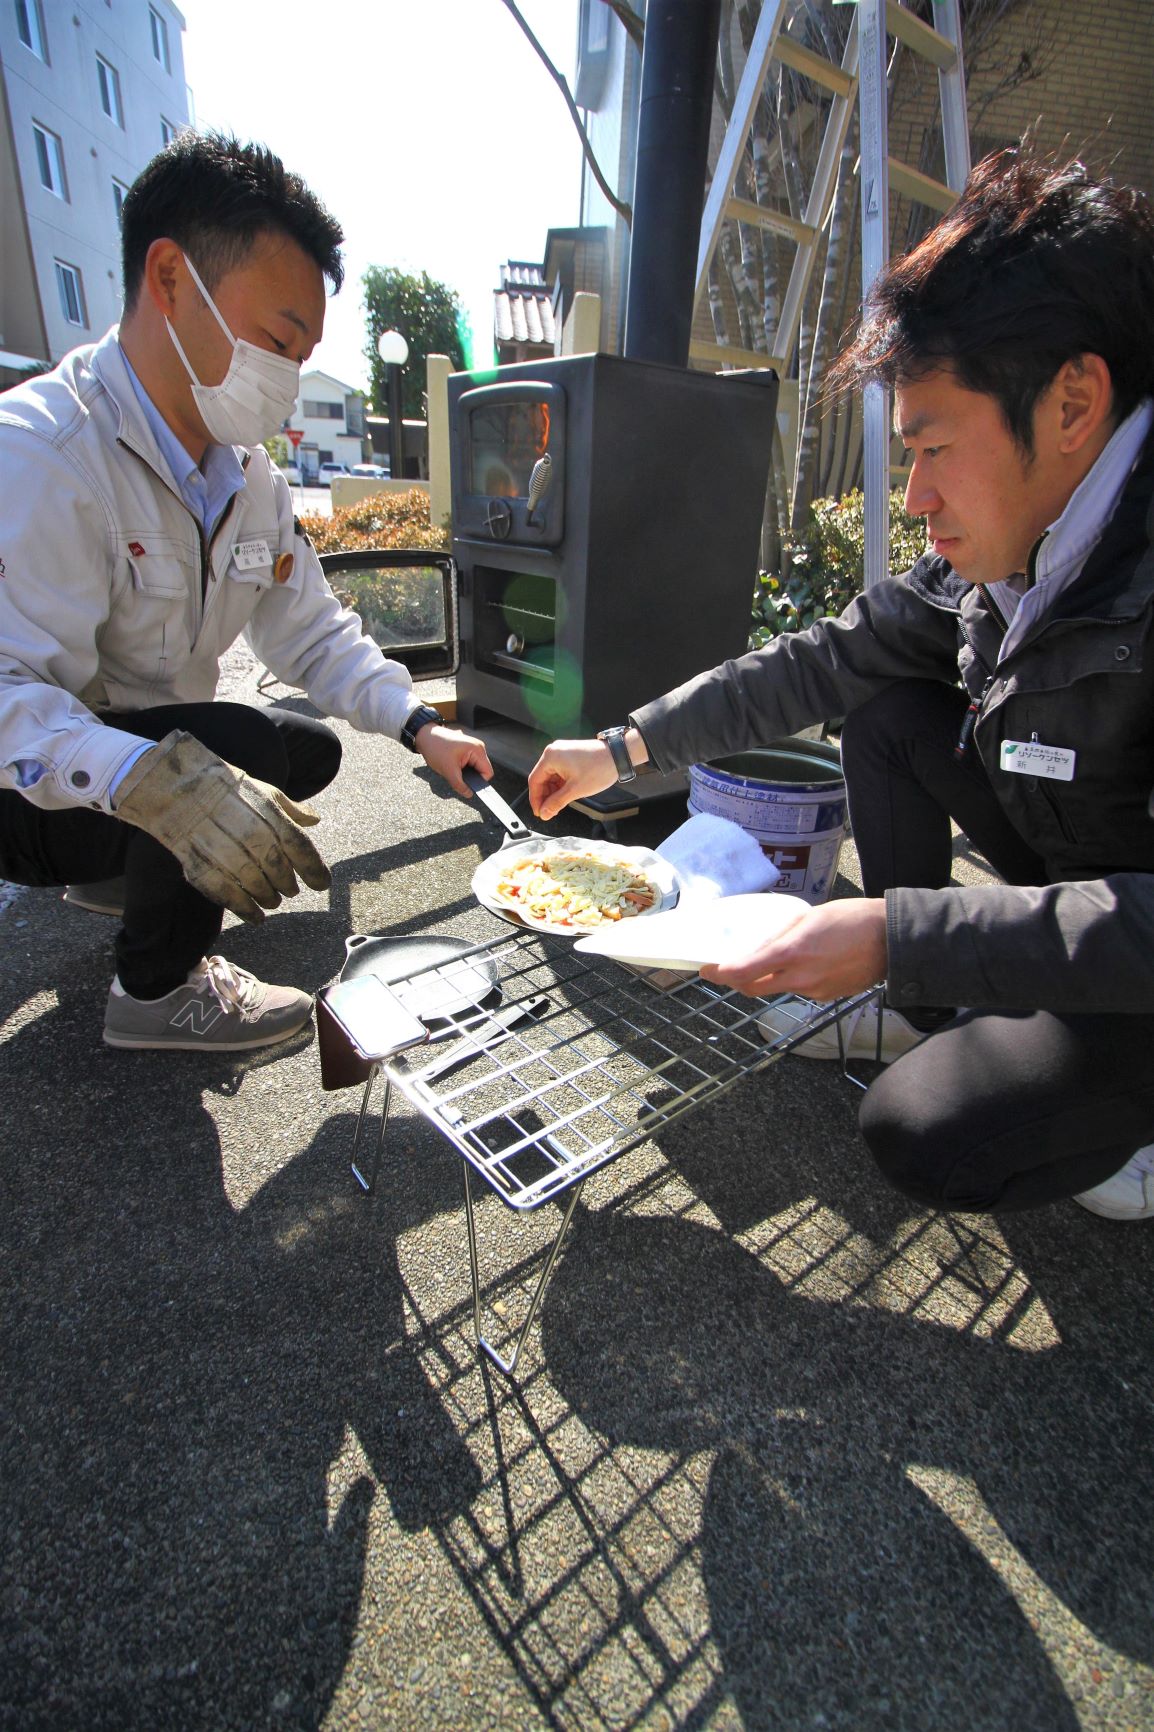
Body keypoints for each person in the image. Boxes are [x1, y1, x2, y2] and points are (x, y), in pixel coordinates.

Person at [528, 146, 1154, 1223]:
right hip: (1072, 845)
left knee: (926, 1135)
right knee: (882, 704)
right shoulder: (1009, 545)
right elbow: (827, 655)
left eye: (933, 446)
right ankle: (925, 1006)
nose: (911, 497)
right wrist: (623, 747)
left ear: (1071, 404)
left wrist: (887, 930)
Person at [0, 133, 492, 1053]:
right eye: (277, 341)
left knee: (297, 752)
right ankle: (156, 992)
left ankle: (131, 864)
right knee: (215, 749)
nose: (289, 380)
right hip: (21, 789)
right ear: (171, 279)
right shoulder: (38, 456)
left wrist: (421, 726)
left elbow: (311, 631)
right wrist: (141, 780)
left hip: (133, 746)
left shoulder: (247, 478)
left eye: (303, 352)